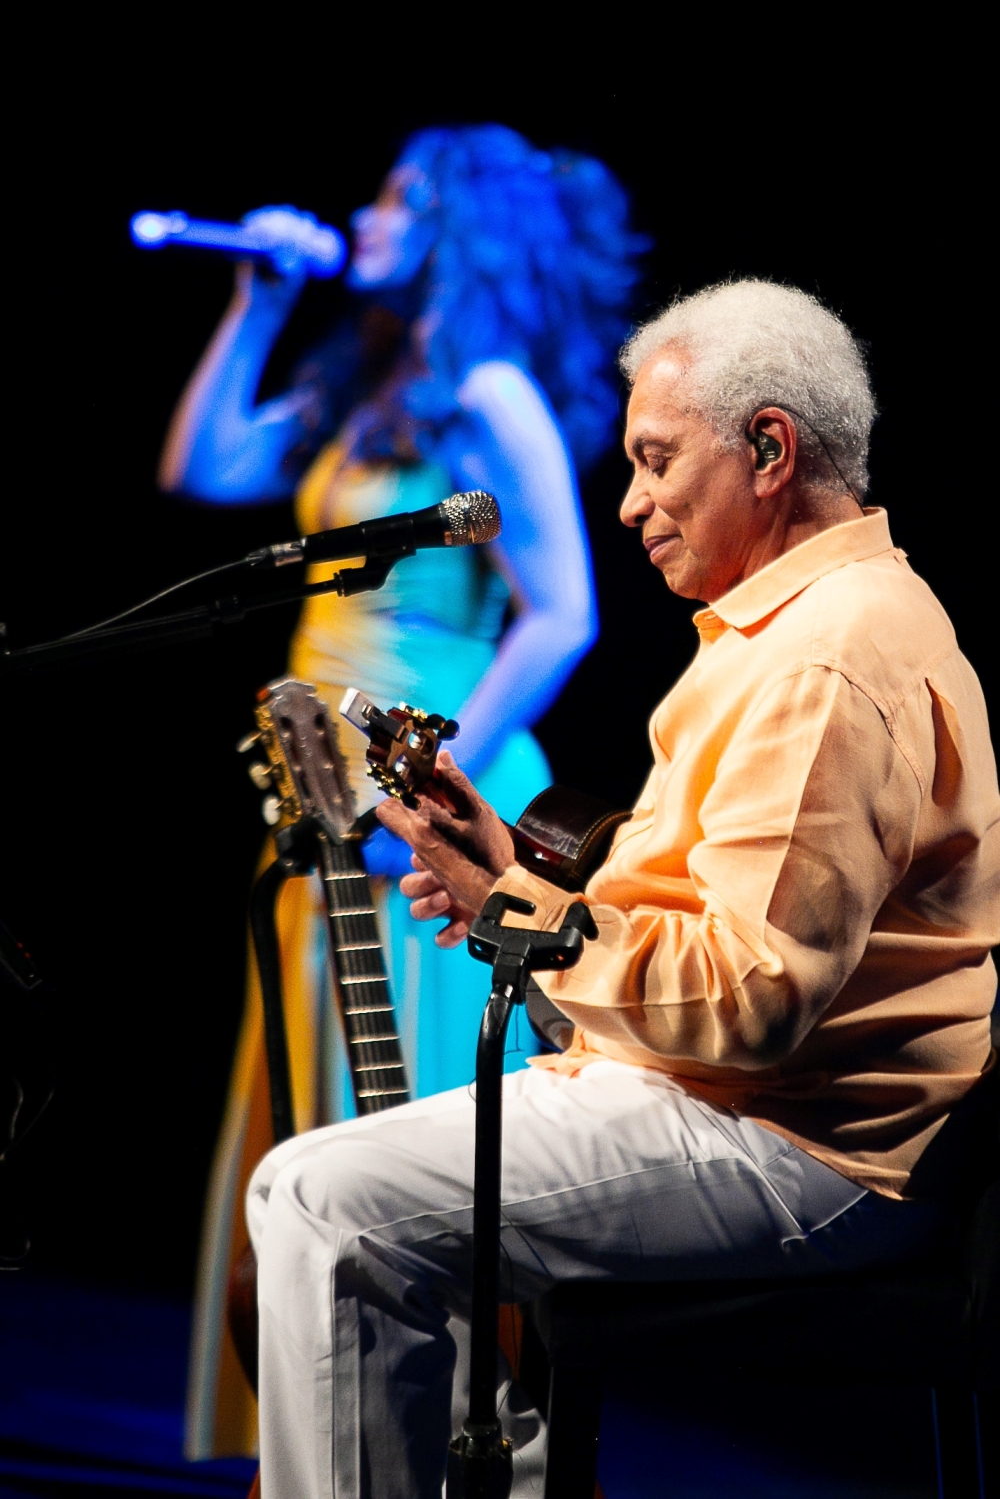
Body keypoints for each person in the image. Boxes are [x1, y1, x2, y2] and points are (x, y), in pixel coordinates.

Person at [246, 280, 998, 1497]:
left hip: (796, 1146)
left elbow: (754, 1001)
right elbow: (711, 923)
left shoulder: (826, 660)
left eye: (655, 461)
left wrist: (519, 917)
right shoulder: (802, 626)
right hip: (746, 1106)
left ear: (767, 447)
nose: (629, 501)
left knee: (324, 1197)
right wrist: (516, 875)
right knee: (353, 1188)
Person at [162, 127, 645, 1457]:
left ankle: (445, 1443)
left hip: (437, 804)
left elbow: (562, 618)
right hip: (326, 801)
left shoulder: (491, 389)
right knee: (318, 1115)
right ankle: (328, 1444)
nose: (364, 216)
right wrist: (261, 301)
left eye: (392, 197)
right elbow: (206, 468)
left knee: (418, 1129)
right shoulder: (377, 380)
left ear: (454, 226)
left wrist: (416, 788)